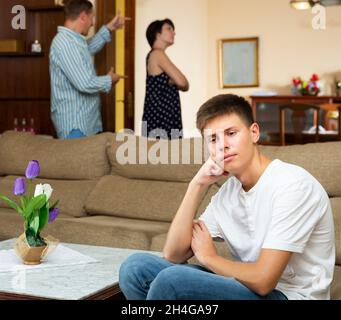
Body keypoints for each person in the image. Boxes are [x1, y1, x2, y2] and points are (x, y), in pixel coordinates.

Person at [119, 94, 335, 300]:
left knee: (173, 281)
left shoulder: (293, 185)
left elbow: (263, 281)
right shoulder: (228, 192)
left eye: (231, 133)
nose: (222, 145)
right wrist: (197, 184)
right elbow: (174, 254)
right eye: (213, 138)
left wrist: (209, 258)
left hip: (290, 295)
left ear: (254, 133)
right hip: (246, 288)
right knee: (136, 268)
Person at [50, 0, 128, 139]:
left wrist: (109, 28)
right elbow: (84, 83)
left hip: (85, 124)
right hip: (76, 127)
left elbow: (88, 48)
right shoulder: (65, 43)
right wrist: (109, 80)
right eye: (92, 18)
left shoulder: (74, 41)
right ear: (83, 16)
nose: (92, 23)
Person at [142, 19, 189, 140]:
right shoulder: (158, 54)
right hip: (161, 120)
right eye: (169, 29)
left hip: (158, 119)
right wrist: (174, 80)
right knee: (166, 156)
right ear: (157, 34)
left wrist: (174, 81)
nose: (173, 33)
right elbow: (183, 82)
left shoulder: (154, 55)